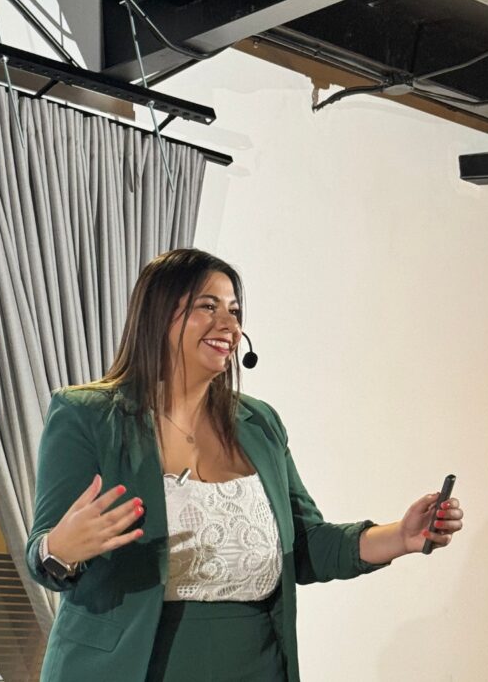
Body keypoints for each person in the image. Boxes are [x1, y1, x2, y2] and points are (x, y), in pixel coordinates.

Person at [25, 249, 464, 681]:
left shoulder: (260, 424)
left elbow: (305, 545)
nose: (229, 325)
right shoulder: (87, 415)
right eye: (207, 307)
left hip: (255, 663)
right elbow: (42, 556)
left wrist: (400, 536)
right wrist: (60, 549)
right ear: (158, 315)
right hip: (130, 667)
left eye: (234, 311)